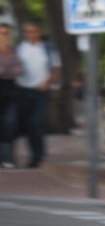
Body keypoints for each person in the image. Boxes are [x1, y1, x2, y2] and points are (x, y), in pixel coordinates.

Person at [14, 22, 60, 169]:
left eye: (33, 31)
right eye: (27, 31)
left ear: (39, 32)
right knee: (28, 125)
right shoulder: (19, 49)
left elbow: (56, 68)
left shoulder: (47, 48)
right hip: (24, 90)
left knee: (36, 122)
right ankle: (34, 156)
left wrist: (48, 82)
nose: (30, 34)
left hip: (41, 91)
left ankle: (40, 155)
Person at [0, 23, 21, 168]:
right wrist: (9, 69)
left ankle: (8, 158)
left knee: (10, 124)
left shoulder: (14, 51)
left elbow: (19, 70)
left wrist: (7, 69)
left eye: (7, 33)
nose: (4, 36)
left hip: (11, 90)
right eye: (2, 33)